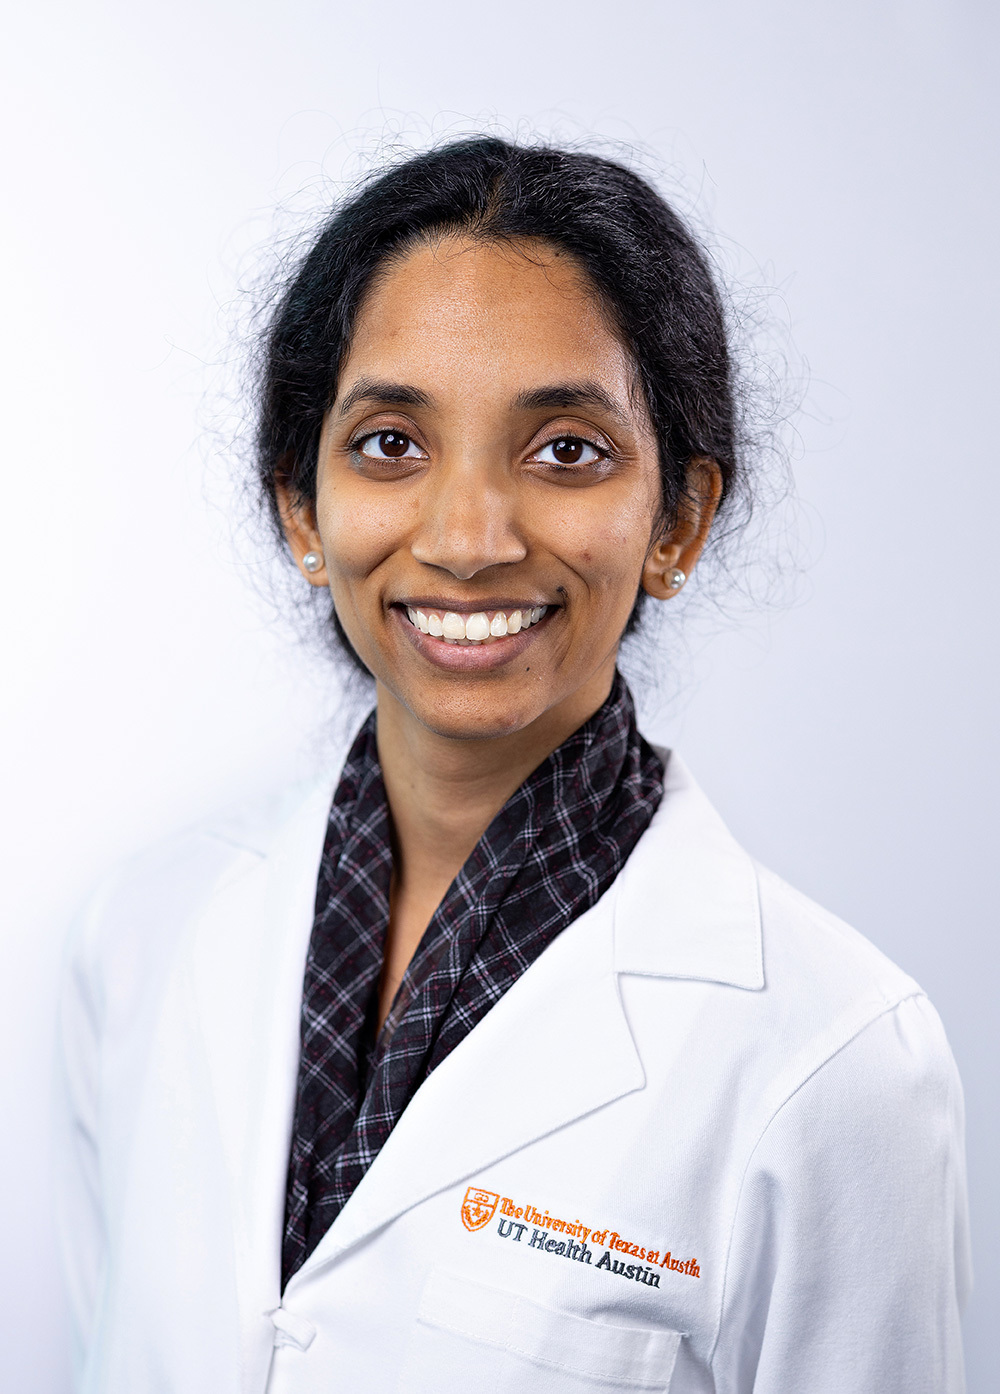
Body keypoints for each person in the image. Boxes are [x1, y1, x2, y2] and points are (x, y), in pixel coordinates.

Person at [57, 137, 970, 1394]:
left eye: (565, 450)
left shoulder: (833, 1058)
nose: (469, 538)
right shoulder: (138, 936)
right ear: (300, 509)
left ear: (679, 519)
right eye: (389, 443)